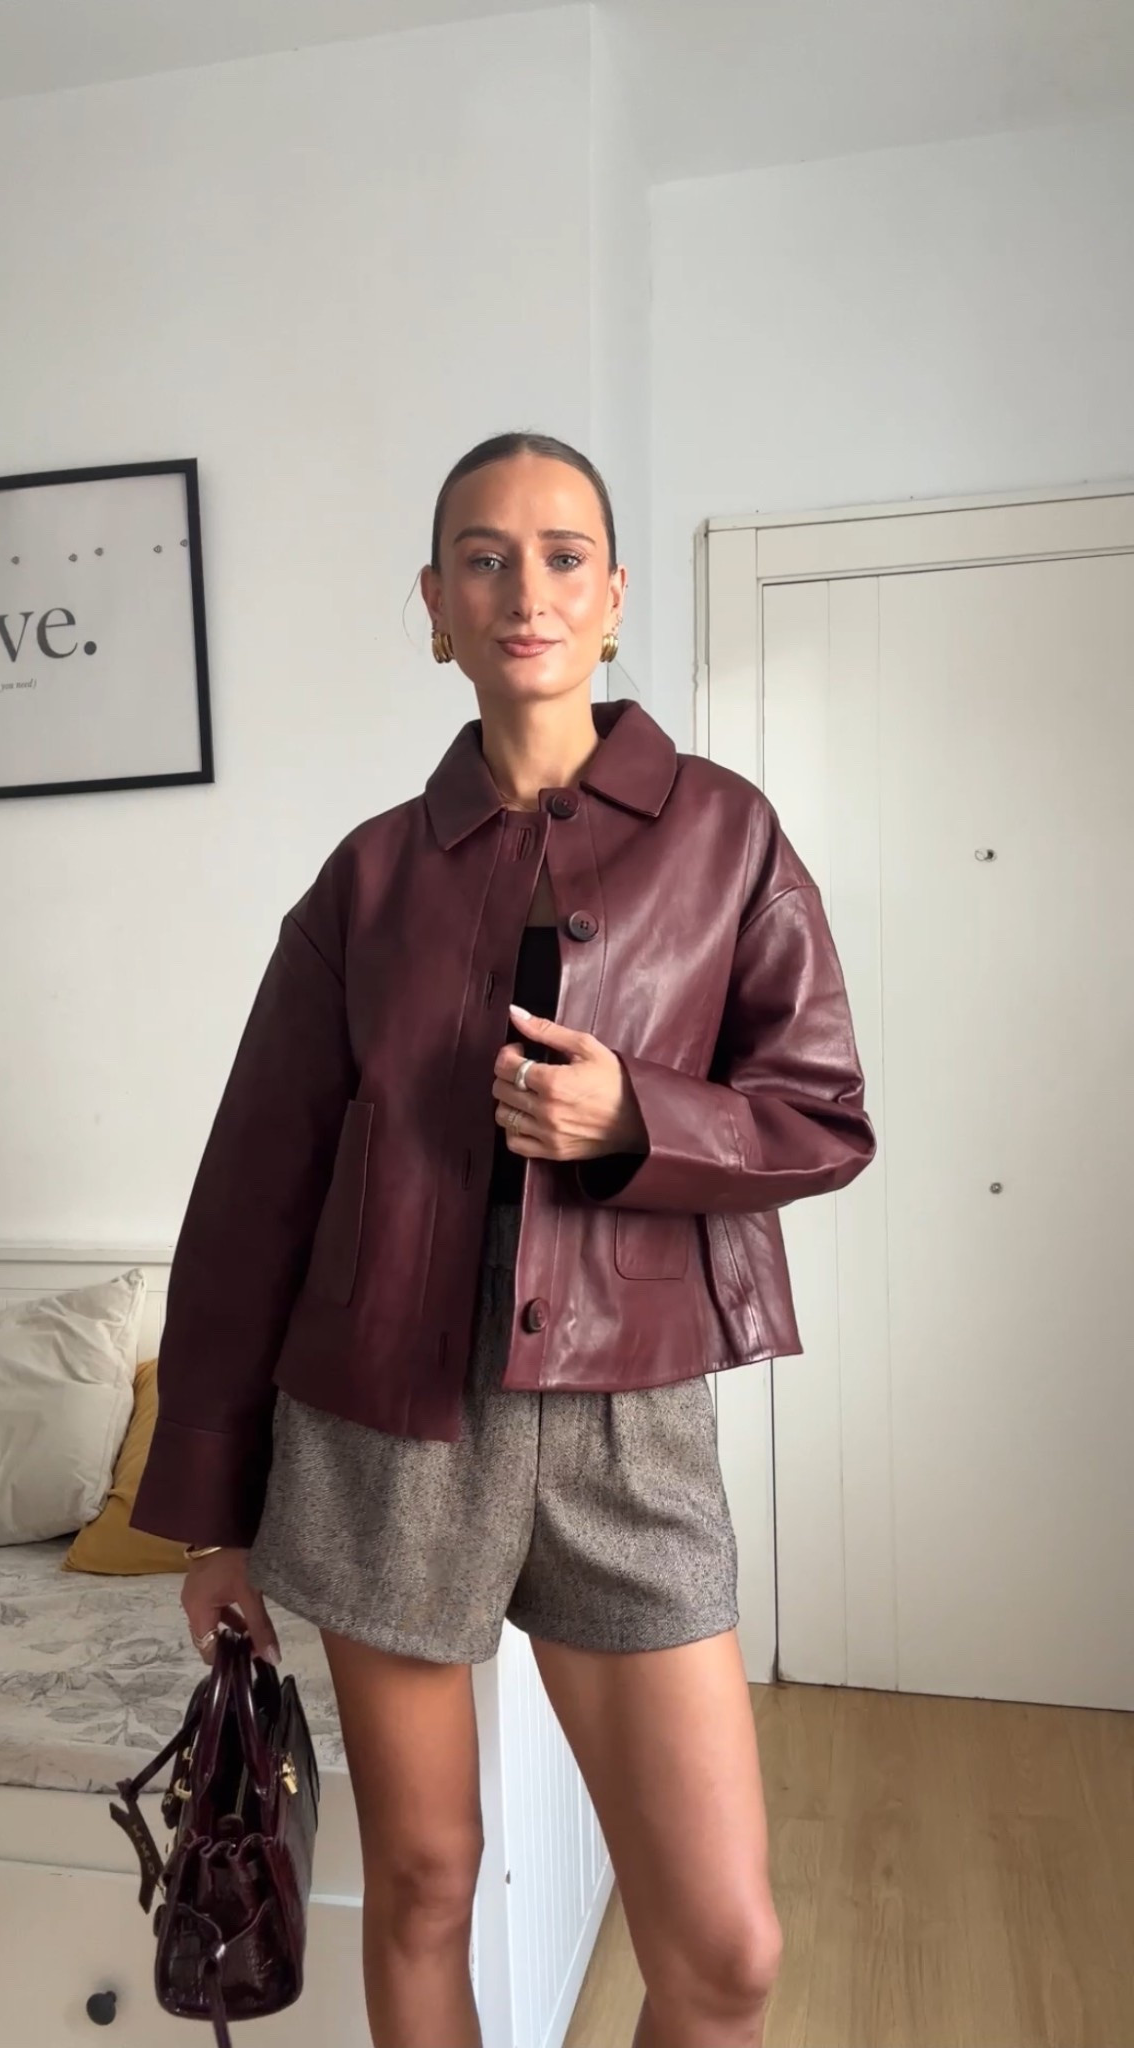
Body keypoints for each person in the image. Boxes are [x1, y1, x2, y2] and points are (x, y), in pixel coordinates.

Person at [132, 430, 875, 2048]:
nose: (523, 588)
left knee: (726, 1954)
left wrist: (636, 1120)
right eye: (482, 557)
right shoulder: (367, 879)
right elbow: (250, 1199)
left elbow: (821, 1114)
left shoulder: (727, 835)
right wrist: (208, 1518)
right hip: (382, 1434)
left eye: (560, 554)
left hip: (628, 1430)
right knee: (423, 1883)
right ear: (434, 605)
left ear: (614, 595)